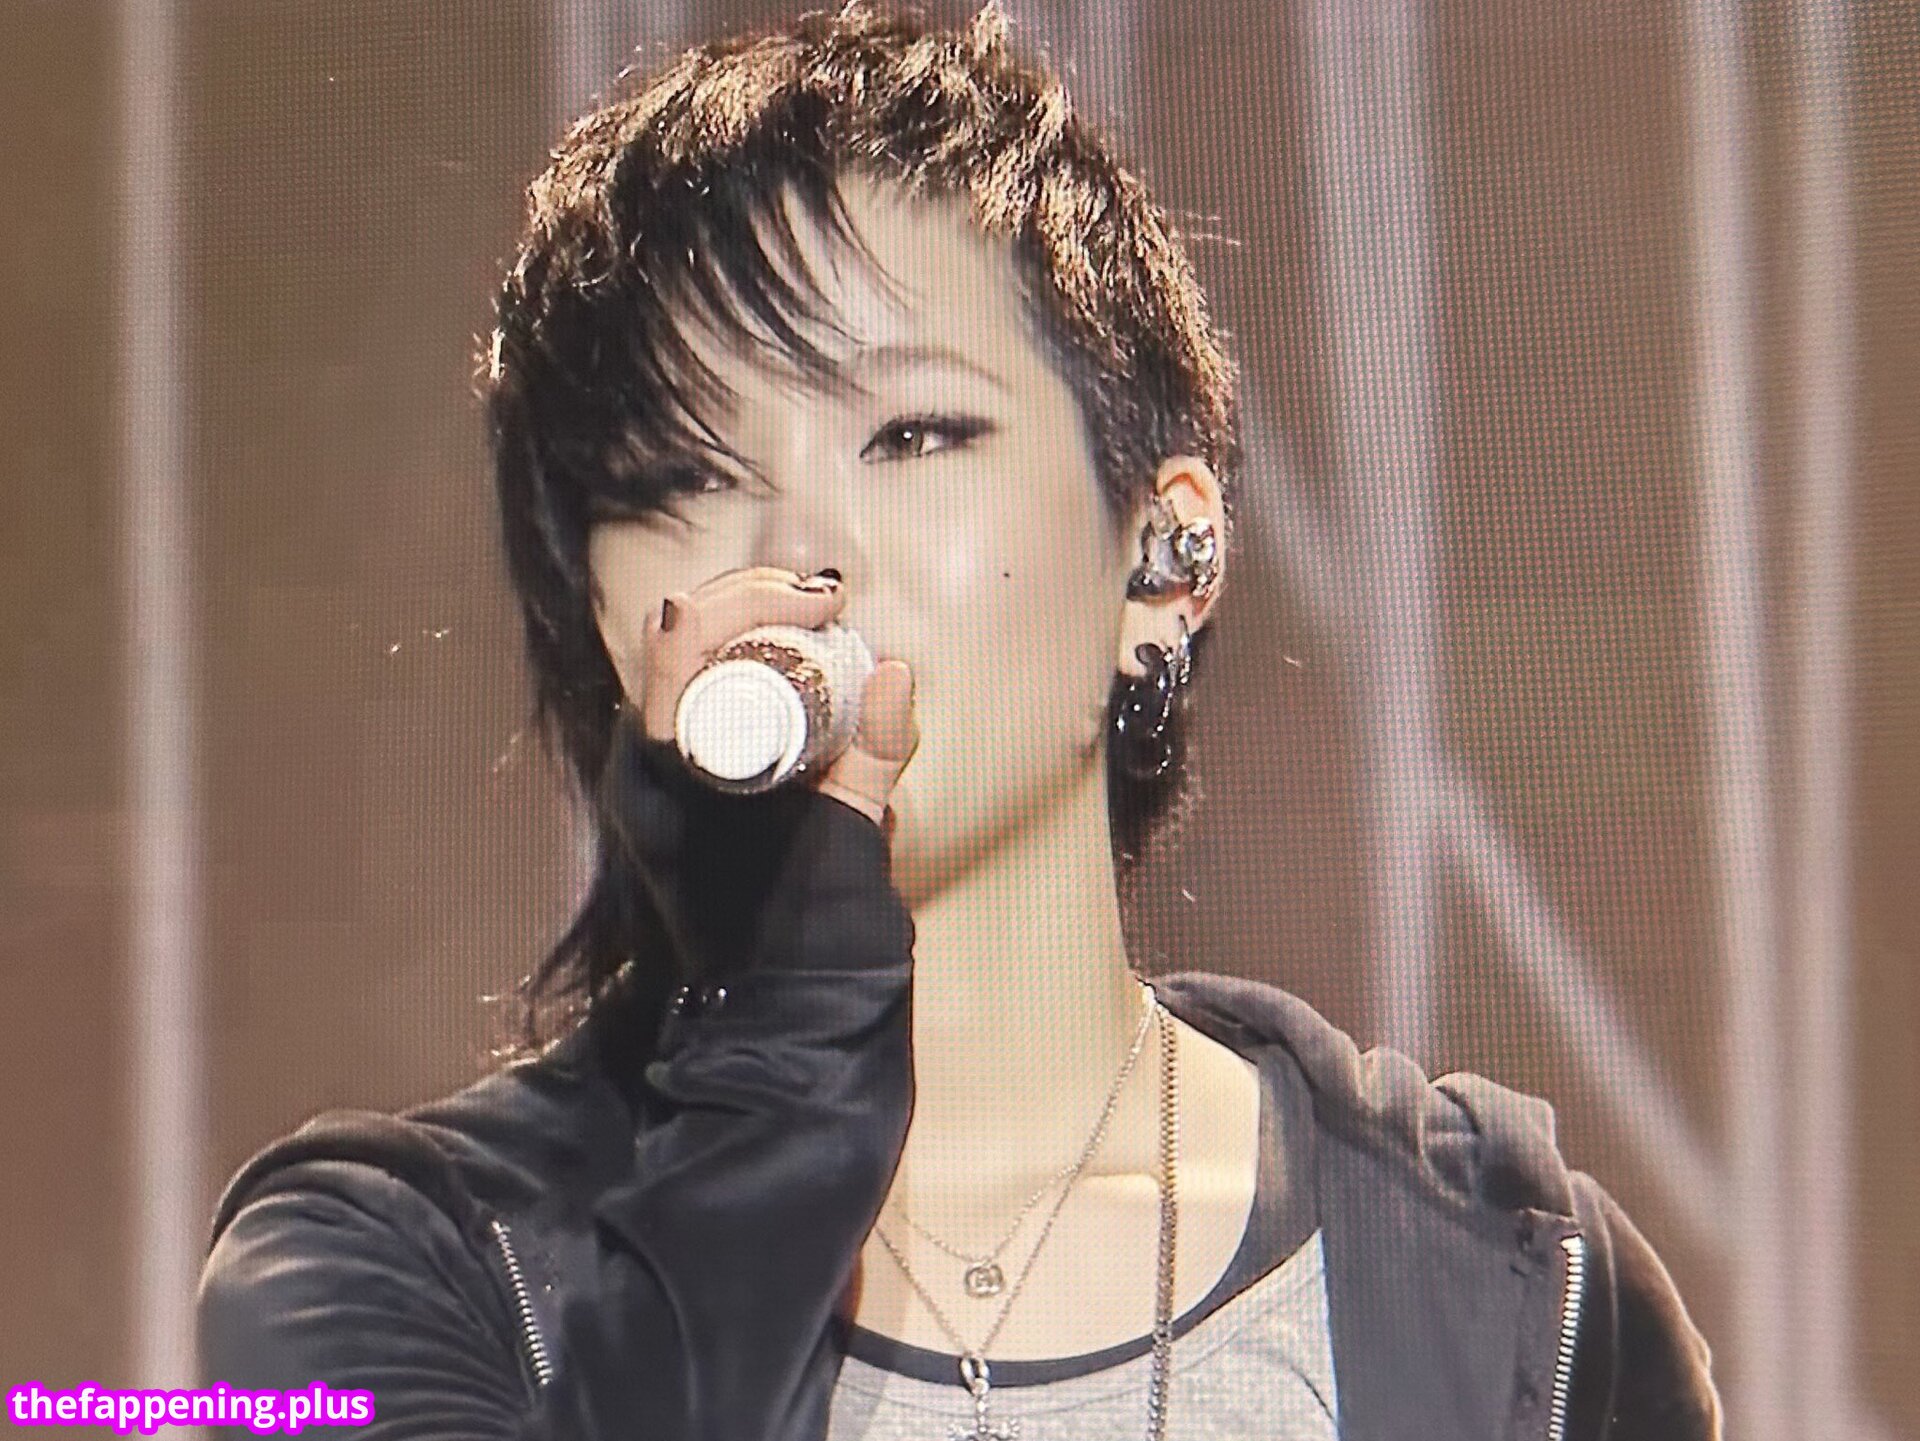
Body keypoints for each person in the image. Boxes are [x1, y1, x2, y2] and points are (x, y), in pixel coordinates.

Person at [196, 3, 1723, 1438]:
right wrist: (786, 1024)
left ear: (1164, 558)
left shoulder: (1514, 1280)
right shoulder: (389, 1266)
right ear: (604, 614)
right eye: (684, 476)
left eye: (912, 433)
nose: (798, 557)